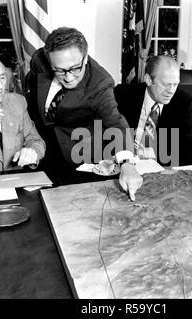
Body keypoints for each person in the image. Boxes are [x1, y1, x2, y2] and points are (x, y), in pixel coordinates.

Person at [30, 26, 142, 200]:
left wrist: (127, 164)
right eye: (59, 70)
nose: (68, 77)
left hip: (77, 152)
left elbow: (116, 123)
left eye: (75, 68)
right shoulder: (38, 59)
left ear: (86, 58)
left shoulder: (100, 84)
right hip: (42, 144)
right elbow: (34, 86)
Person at [114, 55, 192, 166]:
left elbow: (186, 149)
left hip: (162, 169)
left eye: (175, 84)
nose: (171, 91)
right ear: (148, 79)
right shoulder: (123, 95)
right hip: (125, 165)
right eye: (166, 84)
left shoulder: (184, 103)